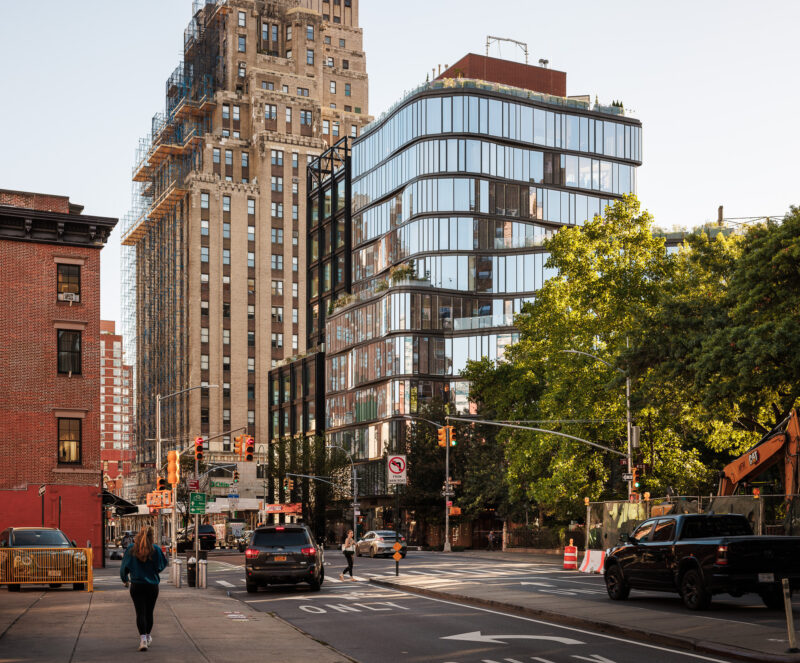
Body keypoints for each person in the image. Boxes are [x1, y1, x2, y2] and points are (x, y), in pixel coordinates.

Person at [120, 526, 168, 651]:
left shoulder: (131, 549)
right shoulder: (155, 549)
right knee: (149, 613)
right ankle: (147, 636)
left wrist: (125, 578)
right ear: (152, 537)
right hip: (152, 585)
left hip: (137, 585)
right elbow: (162, 564)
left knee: (140, 613)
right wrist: (154, 571)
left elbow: (123, 567)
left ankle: (142, 641)